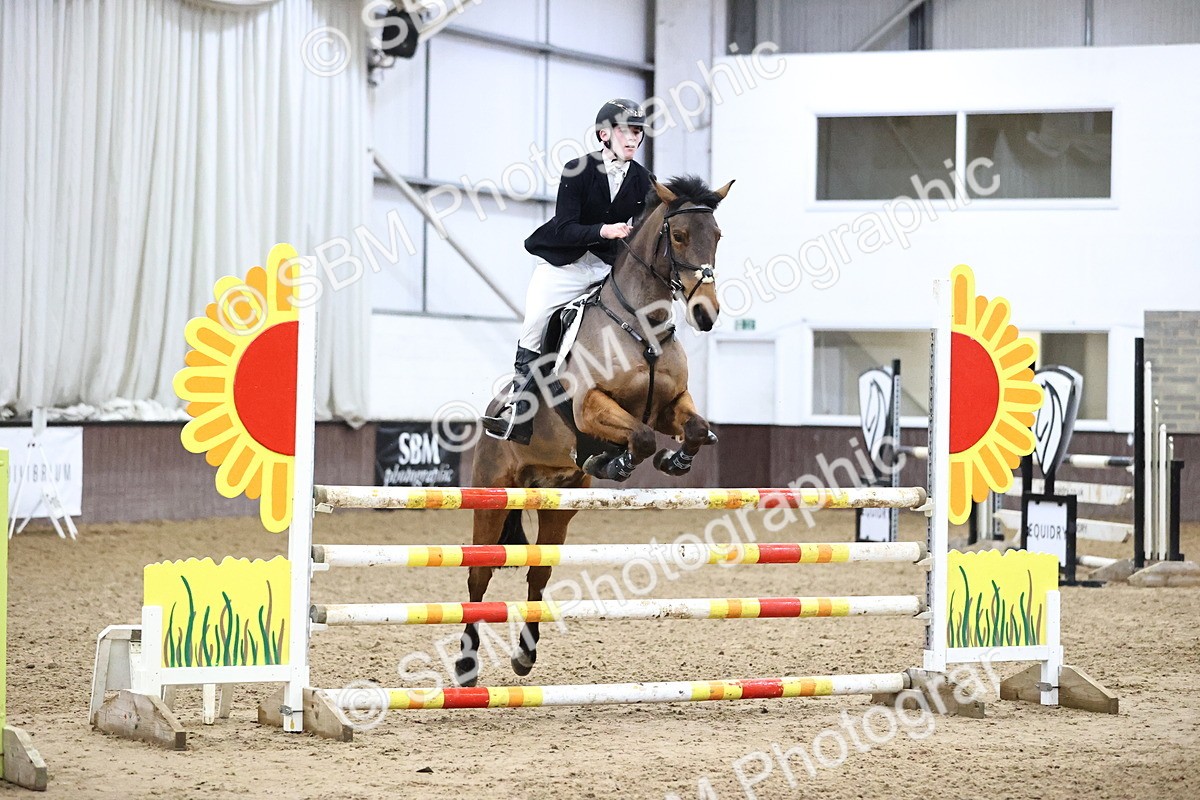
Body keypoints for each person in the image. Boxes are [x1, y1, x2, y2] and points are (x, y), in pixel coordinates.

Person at [481, 99, 653, 445]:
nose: (633, 138)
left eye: (637, 132)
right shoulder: (579, 169)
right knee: (535, 323)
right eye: (625, 131)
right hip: (565, 267)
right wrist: (603, 230)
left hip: (607, 269)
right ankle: (520, 408)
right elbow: (564, 227)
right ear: (605, 134)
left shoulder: (643, 179)